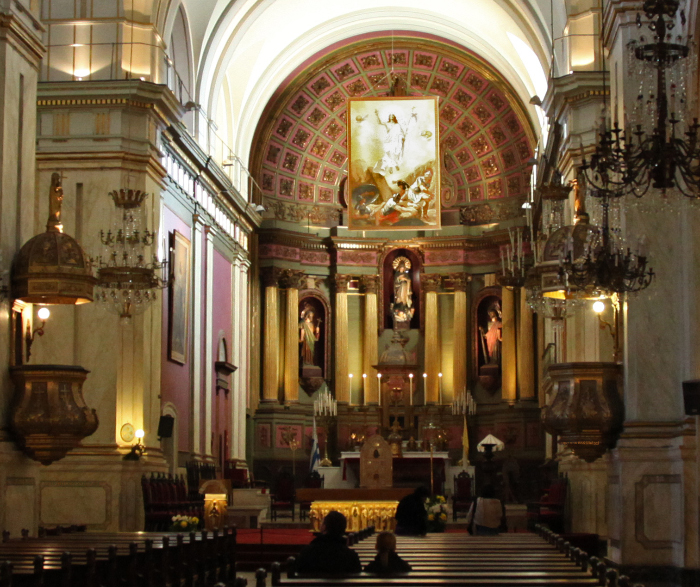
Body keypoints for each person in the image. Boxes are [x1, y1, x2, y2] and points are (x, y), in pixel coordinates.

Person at [295, 511, 362, 574]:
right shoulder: (351, 557)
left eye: (322, 522)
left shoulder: (307, 552)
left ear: (324, 527)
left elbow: (298, 571)